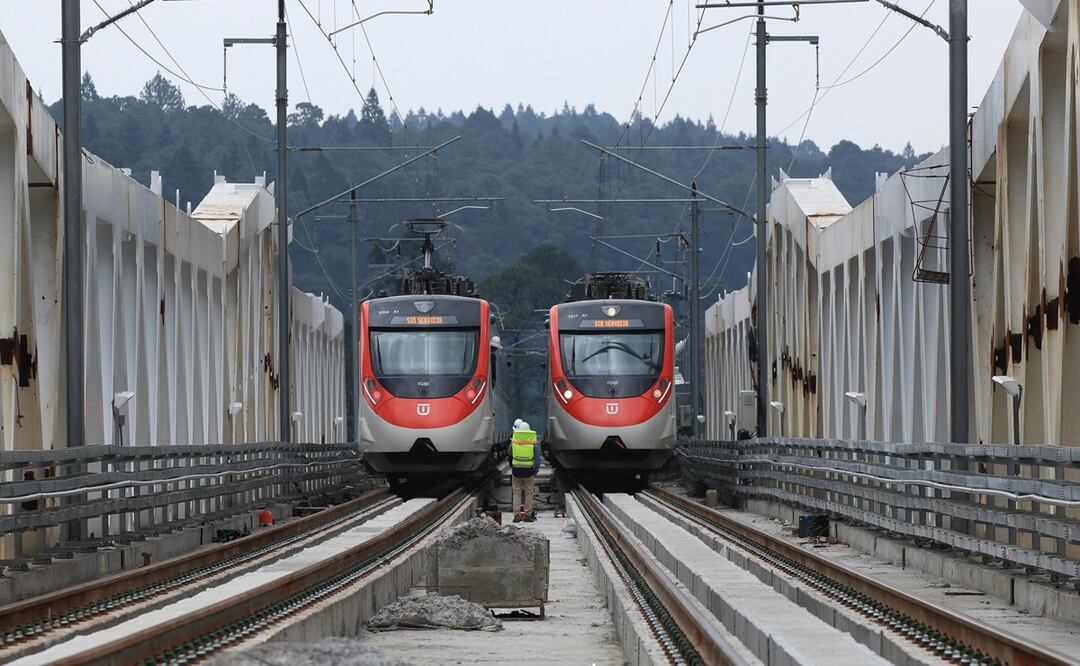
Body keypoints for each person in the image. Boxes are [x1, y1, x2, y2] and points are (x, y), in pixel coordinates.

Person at [509, 421, 541, 522]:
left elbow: (509, 452)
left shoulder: (514, 441)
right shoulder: (533, 442)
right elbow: (537, 459)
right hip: (528, 471)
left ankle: (517, 515)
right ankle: (527, 515)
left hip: (516, 470)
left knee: (517, 493)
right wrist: (535, 471)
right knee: (529, 493)